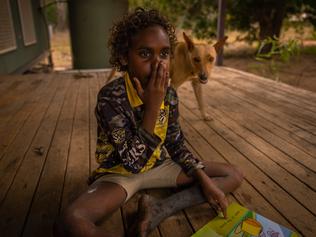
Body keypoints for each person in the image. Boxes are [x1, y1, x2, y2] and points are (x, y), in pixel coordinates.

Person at [53, 8, 243, 237]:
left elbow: (175, 142)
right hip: (120, 172)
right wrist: (153, 107)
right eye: (145, 54)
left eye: (164, 54)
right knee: (71, 222)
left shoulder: (170, 94)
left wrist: (203, 180)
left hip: (159, 165)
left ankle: (159, 209)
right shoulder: (111, 98)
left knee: (232, 175)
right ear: (124, 57)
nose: (157, 64)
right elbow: (132, 163)